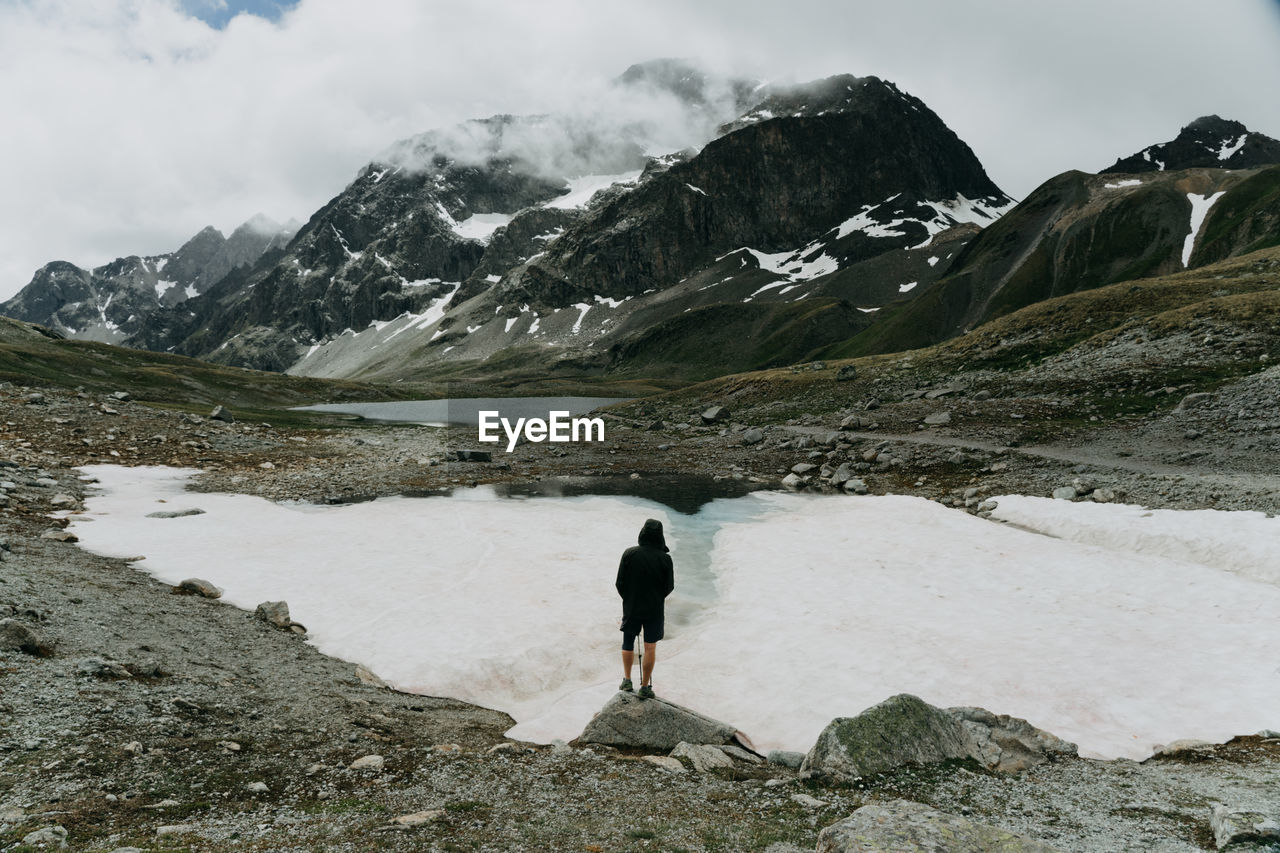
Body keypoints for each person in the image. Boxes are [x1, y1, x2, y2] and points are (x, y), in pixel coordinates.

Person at [615, 518, 674, 699]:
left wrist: (629, 598)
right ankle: (645, 687)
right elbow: (669, 586)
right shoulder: (665, 559)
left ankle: (626, 680)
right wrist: (656, 598)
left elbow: (619, 583)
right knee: (650, 647)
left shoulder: (629, 554)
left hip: (632, 606)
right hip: (654, 609)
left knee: (627, 643)